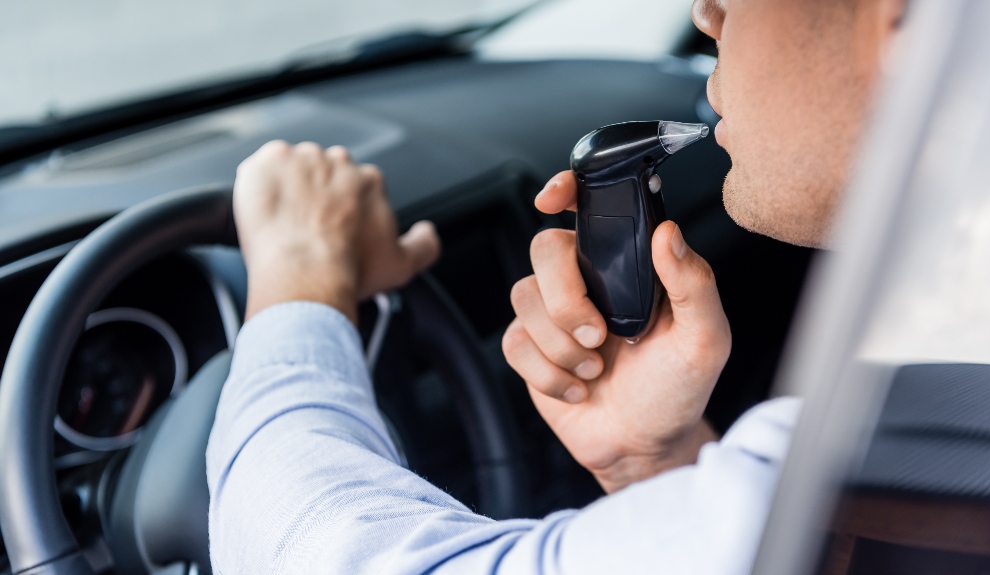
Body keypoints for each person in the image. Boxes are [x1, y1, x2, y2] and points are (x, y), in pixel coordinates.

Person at [206, 0, 907, 573]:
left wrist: (299, 283)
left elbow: (316, 551)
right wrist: (658, 461)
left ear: (903, 22)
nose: (708, 13)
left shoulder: (918, 420)